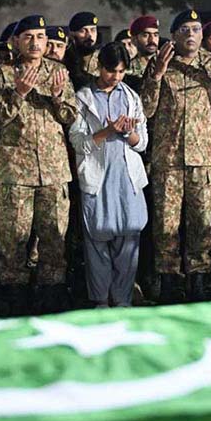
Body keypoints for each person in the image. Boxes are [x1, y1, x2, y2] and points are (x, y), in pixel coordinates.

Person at [140, 9, 211, 303]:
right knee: (166, 224)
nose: (192, 34)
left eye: (196, 29)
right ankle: (168, 282)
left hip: (203, 159)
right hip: (167, 158)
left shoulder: (210, 64)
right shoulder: (160, 64)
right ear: (174, 35)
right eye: (185, 29)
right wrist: (156, 76)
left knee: (200, 224)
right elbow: (145, 110)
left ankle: (198, 282)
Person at [0, 15, 77, 315]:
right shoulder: (3, 73)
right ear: (16, 41)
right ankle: (14, 300)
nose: (36, 43)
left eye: (40, 37)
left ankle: (51, 300)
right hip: (15, 171)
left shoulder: (59, 72)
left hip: (53, 170)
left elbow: (71, 116)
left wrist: (58, 96)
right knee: (13, 240)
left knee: (53, 239)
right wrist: (20, 93)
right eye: (29, 37)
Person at [69, 42, 148, 308]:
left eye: (122, 72)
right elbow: (79, 142)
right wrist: (107, 131)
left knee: (128, 244)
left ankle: (123, 302)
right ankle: (101, 302)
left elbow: (143, 143)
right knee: (98, 244)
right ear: (99, 67)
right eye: (111, 71)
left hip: (127, 179)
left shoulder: (131, 97)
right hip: (98, 180)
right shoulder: (82, 98)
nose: (116, 77)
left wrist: (127, 133)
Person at [64, 11, 100, 89]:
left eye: (93, 30)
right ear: (72, 35)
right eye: (83, 31)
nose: (89, 35)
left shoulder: (103, 57)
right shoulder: (66, 57)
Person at [125, 15, 160, 92]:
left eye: (155, 35)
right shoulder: (127, 68)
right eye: (145, 35)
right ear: (134, 40)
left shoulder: (167, 63)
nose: (152, 40)